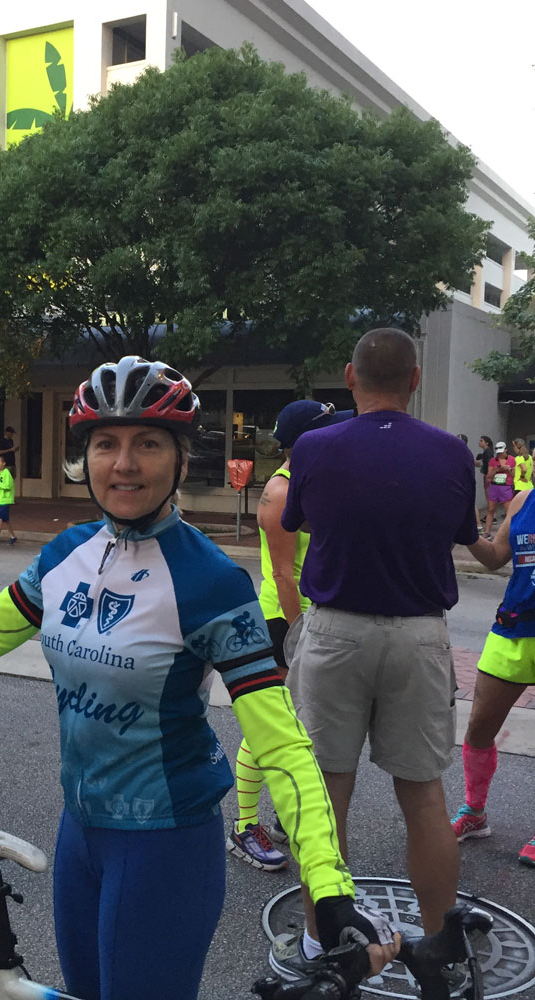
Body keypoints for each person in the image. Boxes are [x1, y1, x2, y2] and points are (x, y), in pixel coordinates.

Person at [0, 356, 399, 1000]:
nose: (124, 463)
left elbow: (280, 741)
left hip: (165, 846)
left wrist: (327, 884)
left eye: (147, 444)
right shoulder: (65, 553)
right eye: (107, 443)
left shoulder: (212, 584)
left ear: (180, 460)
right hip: (80, 833)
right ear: (88, 457)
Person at [274, 328, 476, 981]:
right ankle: (441, 945)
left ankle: (319, 940)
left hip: (334, 632)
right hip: (419, 634)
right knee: (423, 797)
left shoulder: (314, 446)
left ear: (349, 376)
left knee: (325, 793)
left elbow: (296, 522)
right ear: (416, 380)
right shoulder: (451, 454)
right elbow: (461, 535)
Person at [227, 399, 353, 874]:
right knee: (270, 722)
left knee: (298, 721)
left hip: (308, 614)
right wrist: (300, 632)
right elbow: (282, 573)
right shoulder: (279, 493)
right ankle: (243, 825)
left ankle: (280, 810)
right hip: (282, 618)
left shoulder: (313, 482)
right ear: (302, 442)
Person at [453, 490, 535, 867]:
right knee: (479, 728)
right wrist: (465, 529)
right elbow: (494, 559)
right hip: (513, 629)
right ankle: (474, 812)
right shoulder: (522, 501)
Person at [484, 442, 515, 539]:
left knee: (509, 512)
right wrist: (499, 469)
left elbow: (514, 475)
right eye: (498, 452)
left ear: (506, 450)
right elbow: (489, 476)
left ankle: (509, 532)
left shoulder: (512, 460)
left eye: (501, 452)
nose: (500, 454)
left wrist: (509, 469)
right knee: (490, 509)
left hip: (506, 487)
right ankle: (487, 531)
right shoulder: (493, 460)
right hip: (494, 487)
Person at [475, 435, 494, 530]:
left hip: (488, 476)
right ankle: (490, 515)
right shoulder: (487, 452)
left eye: (481, 440)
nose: (479, 442)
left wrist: (488, 476)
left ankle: (491, 516)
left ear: (486, 442)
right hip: (487, 475)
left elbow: (488, 464)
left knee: (489, 497)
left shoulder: (488, 452)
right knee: (489, 497)